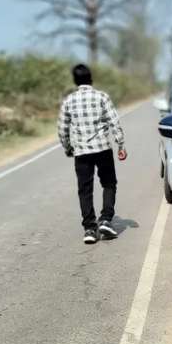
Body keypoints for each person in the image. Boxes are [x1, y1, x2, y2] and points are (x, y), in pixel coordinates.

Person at [58, 64, 127, 244]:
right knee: (109, 183)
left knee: (85, 189)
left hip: (81, 152)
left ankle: (89, 228)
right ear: (91, 79)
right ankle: (105, 219)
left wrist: (68, 148)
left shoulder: (69, 101)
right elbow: (114, 121)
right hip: (103, 148)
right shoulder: (102, 97)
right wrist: (120, 144)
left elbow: (62, 128)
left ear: (75, 81)